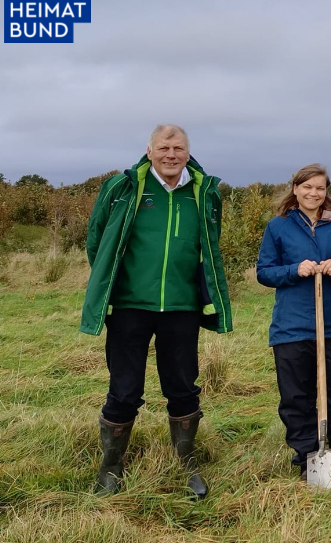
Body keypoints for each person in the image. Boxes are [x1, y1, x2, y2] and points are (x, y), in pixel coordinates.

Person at [80, 124, 231, 498]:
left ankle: (186, 466)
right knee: (124, 390)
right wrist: (111, 282)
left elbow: (210, 244)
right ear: (149, 151)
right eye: (164, 147)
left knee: (182, 388)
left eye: (178, 148)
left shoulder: (204, 192)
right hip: (130, 306)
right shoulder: (124, 187)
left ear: (187, 153)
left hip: (182, 307)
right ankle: (110, 469)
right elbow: (97, 238)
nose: (171, 154)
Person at [256, 164, 331, 479]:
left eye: (320, 188)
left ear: (326, 191)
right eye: (308, 187)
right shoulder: (278, 227)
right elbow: (264, 271)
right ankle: (307, 454)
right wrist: (293, 270)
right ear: (295, 189)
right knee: (296, 395)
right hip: (291, 326)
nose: (314, 193)